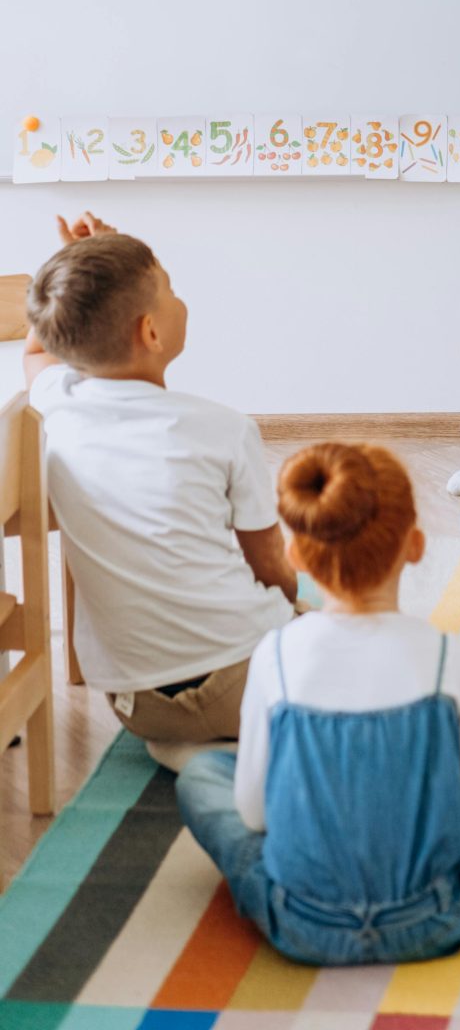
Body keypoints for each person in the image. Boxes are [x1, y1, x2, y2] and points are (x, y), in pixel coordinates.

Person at [177, 442, 460, 964]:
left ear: (298, 555)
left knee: (200, 776)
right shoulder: (447, 655)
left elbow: (254, 816)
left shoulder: (275, 654)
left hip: (302, 923)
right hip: (439, 918)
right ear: (414, 545)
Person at [23, 212, 294, 746]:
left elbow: (36, 351)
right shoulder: (226, 429)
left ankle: (190, 754)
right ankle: (248, 753)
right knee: (356, 635)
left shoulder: (56, 403)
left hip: (139, 706)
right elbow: (274, 575)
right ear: (150, 331)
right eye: (170, 290)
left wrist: (70, 276)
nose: (180, 300)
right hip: (252, 683)